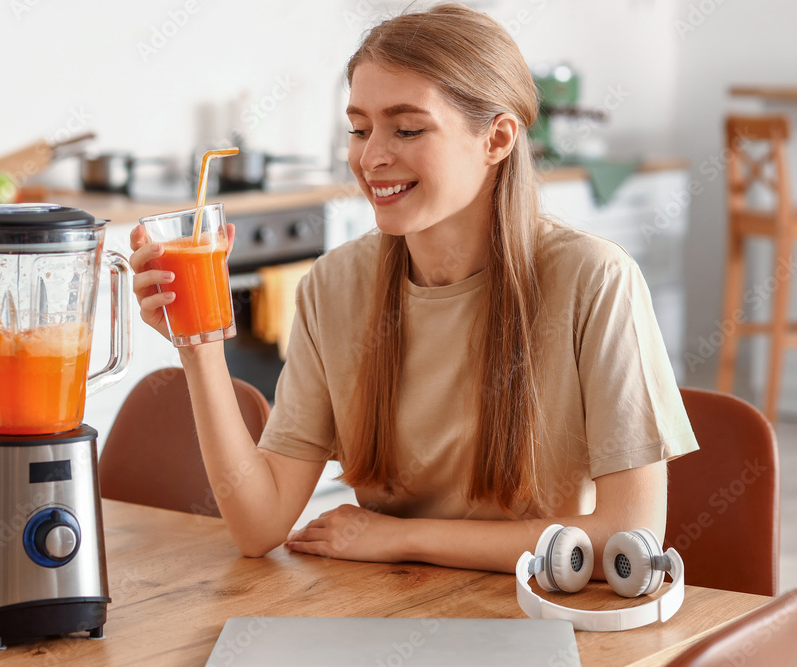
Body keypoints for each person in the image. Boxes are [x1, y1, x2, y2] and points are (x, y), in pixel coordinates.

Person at [128, 4, 698, 577]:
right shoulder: (333, 286)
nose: (370, 156)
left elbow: (630, 540)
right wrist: (198, 345)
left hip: (533, 620)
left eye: (406, 129)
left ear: (497, 138)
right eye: (358, 128)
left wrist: (401, 538)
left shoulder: (595, 280)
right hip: (381, 612)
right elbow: (258, 526)